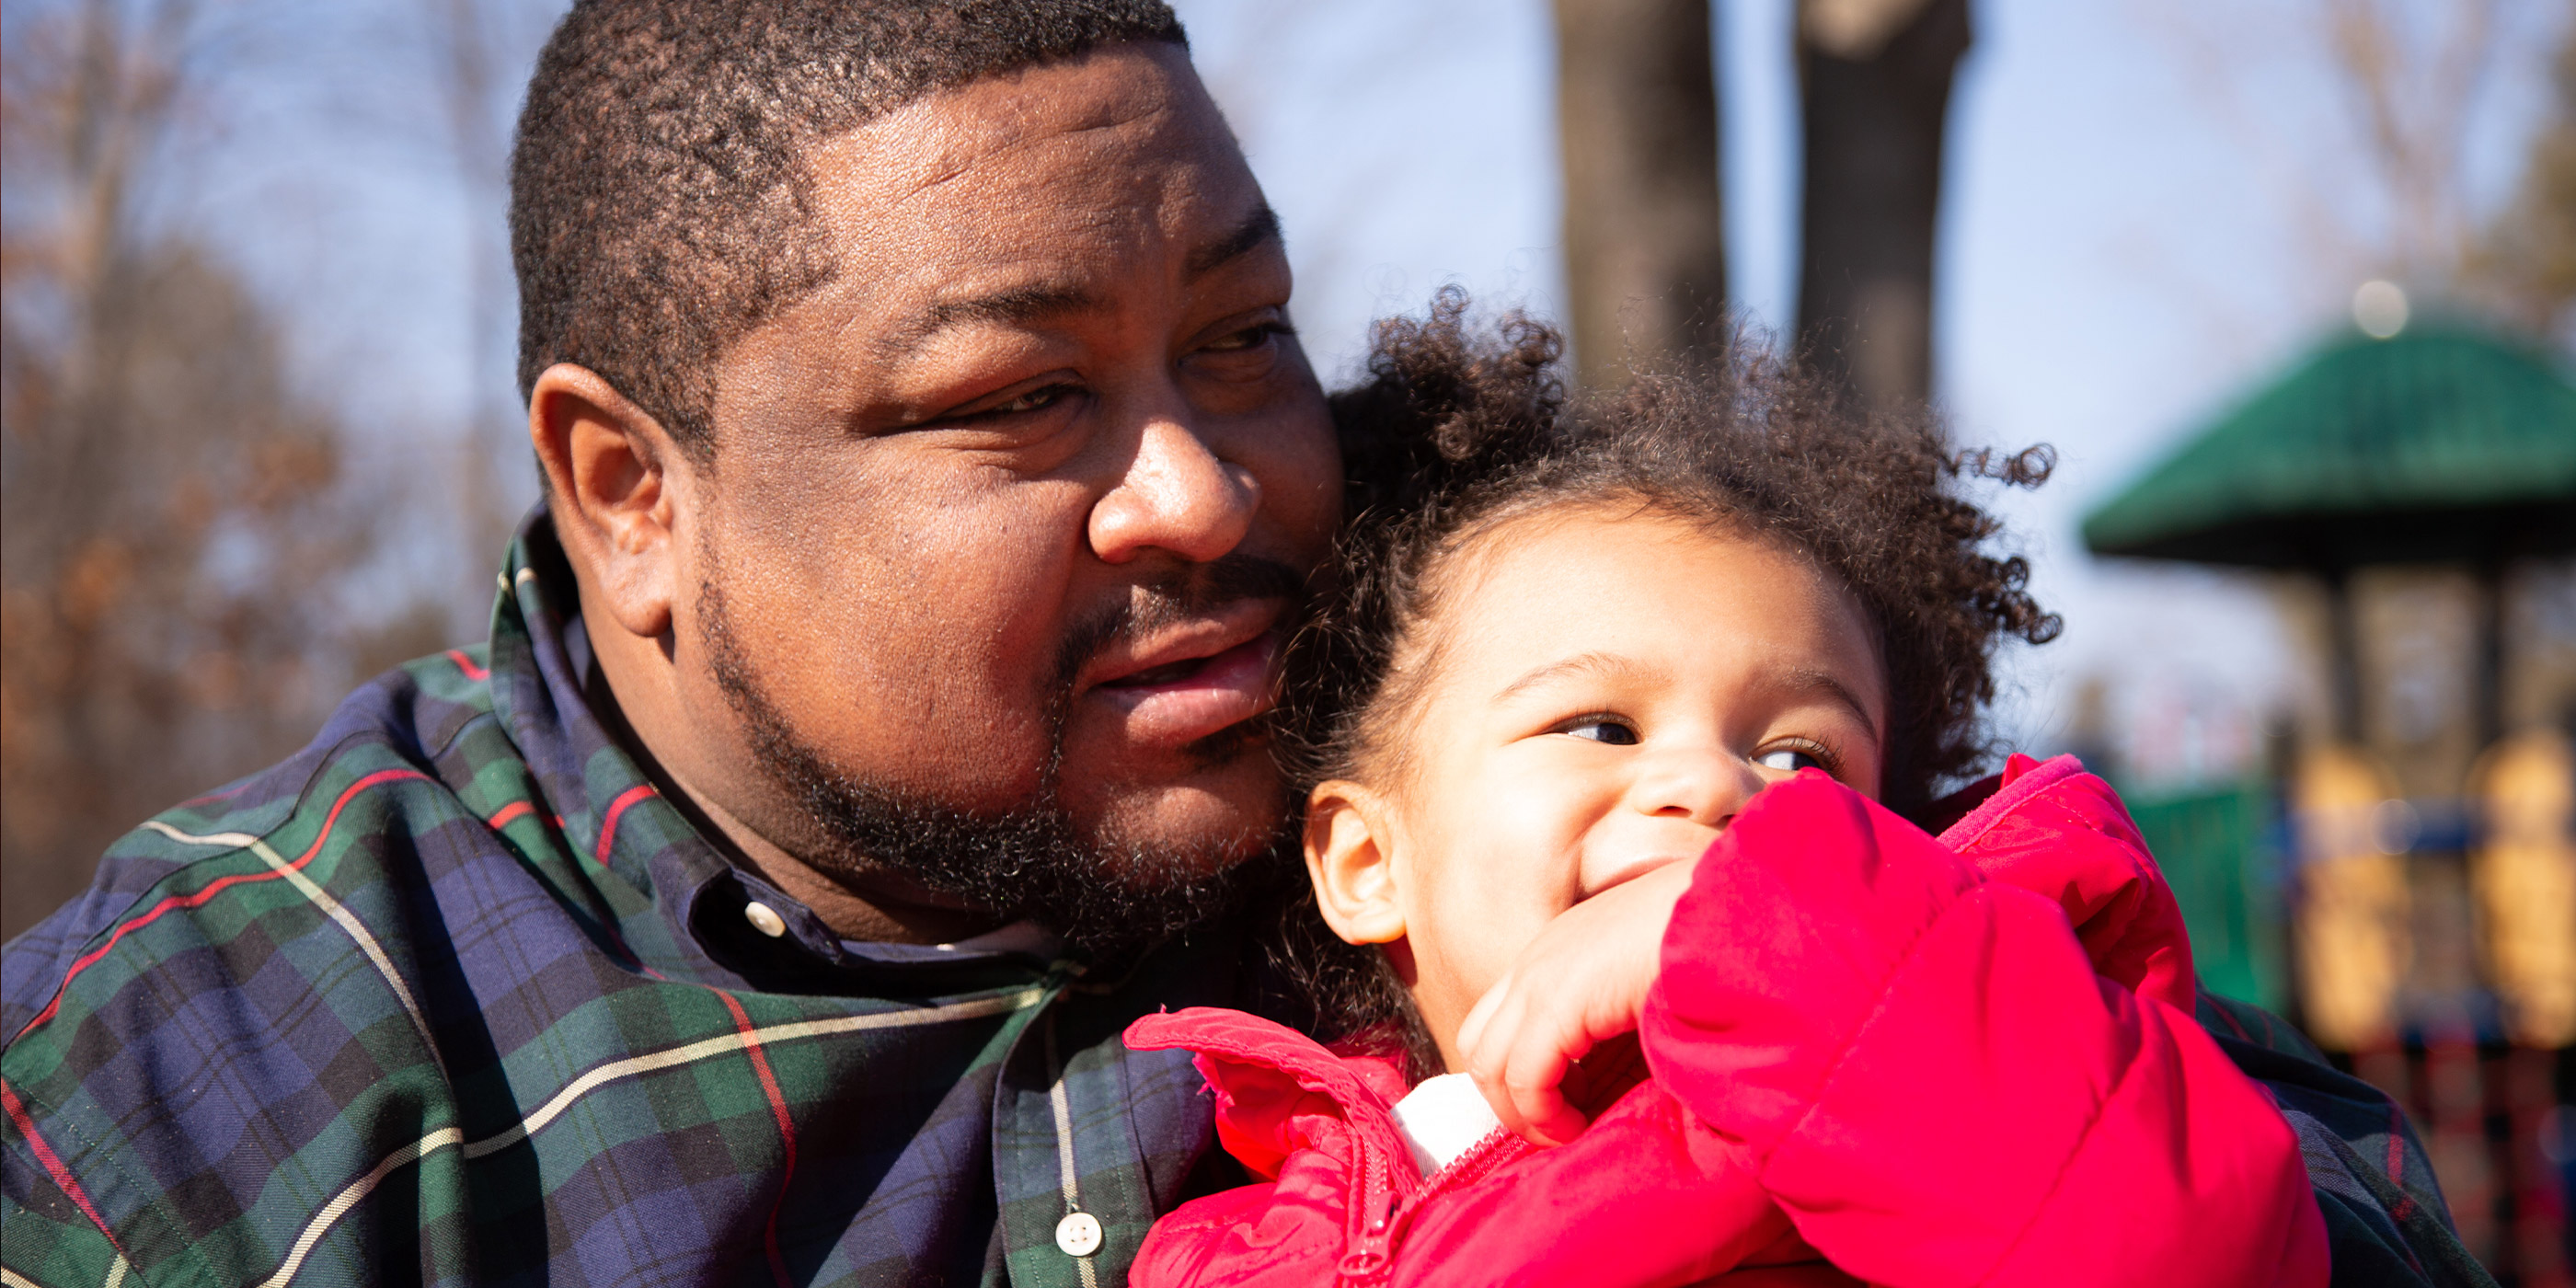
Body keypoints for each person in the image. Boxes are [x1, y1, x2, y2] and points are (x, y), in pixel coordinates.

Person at [2, 4, 1340, 1283]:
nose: (1204, 497)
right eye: (1027, 397)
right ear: (629, 493)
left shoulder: (1478, 769)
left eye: (1245, 335)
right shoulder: (179, 1106)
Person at [1121, 305, 2491, 1287]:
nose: (1716, 784)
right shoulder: (1252, 1229)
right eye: (1600, 723)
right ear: (1368, 863)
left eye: (1802, 761)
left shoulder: (1981, 1063)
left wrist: (1806, 953)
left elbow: (2185, 1244)